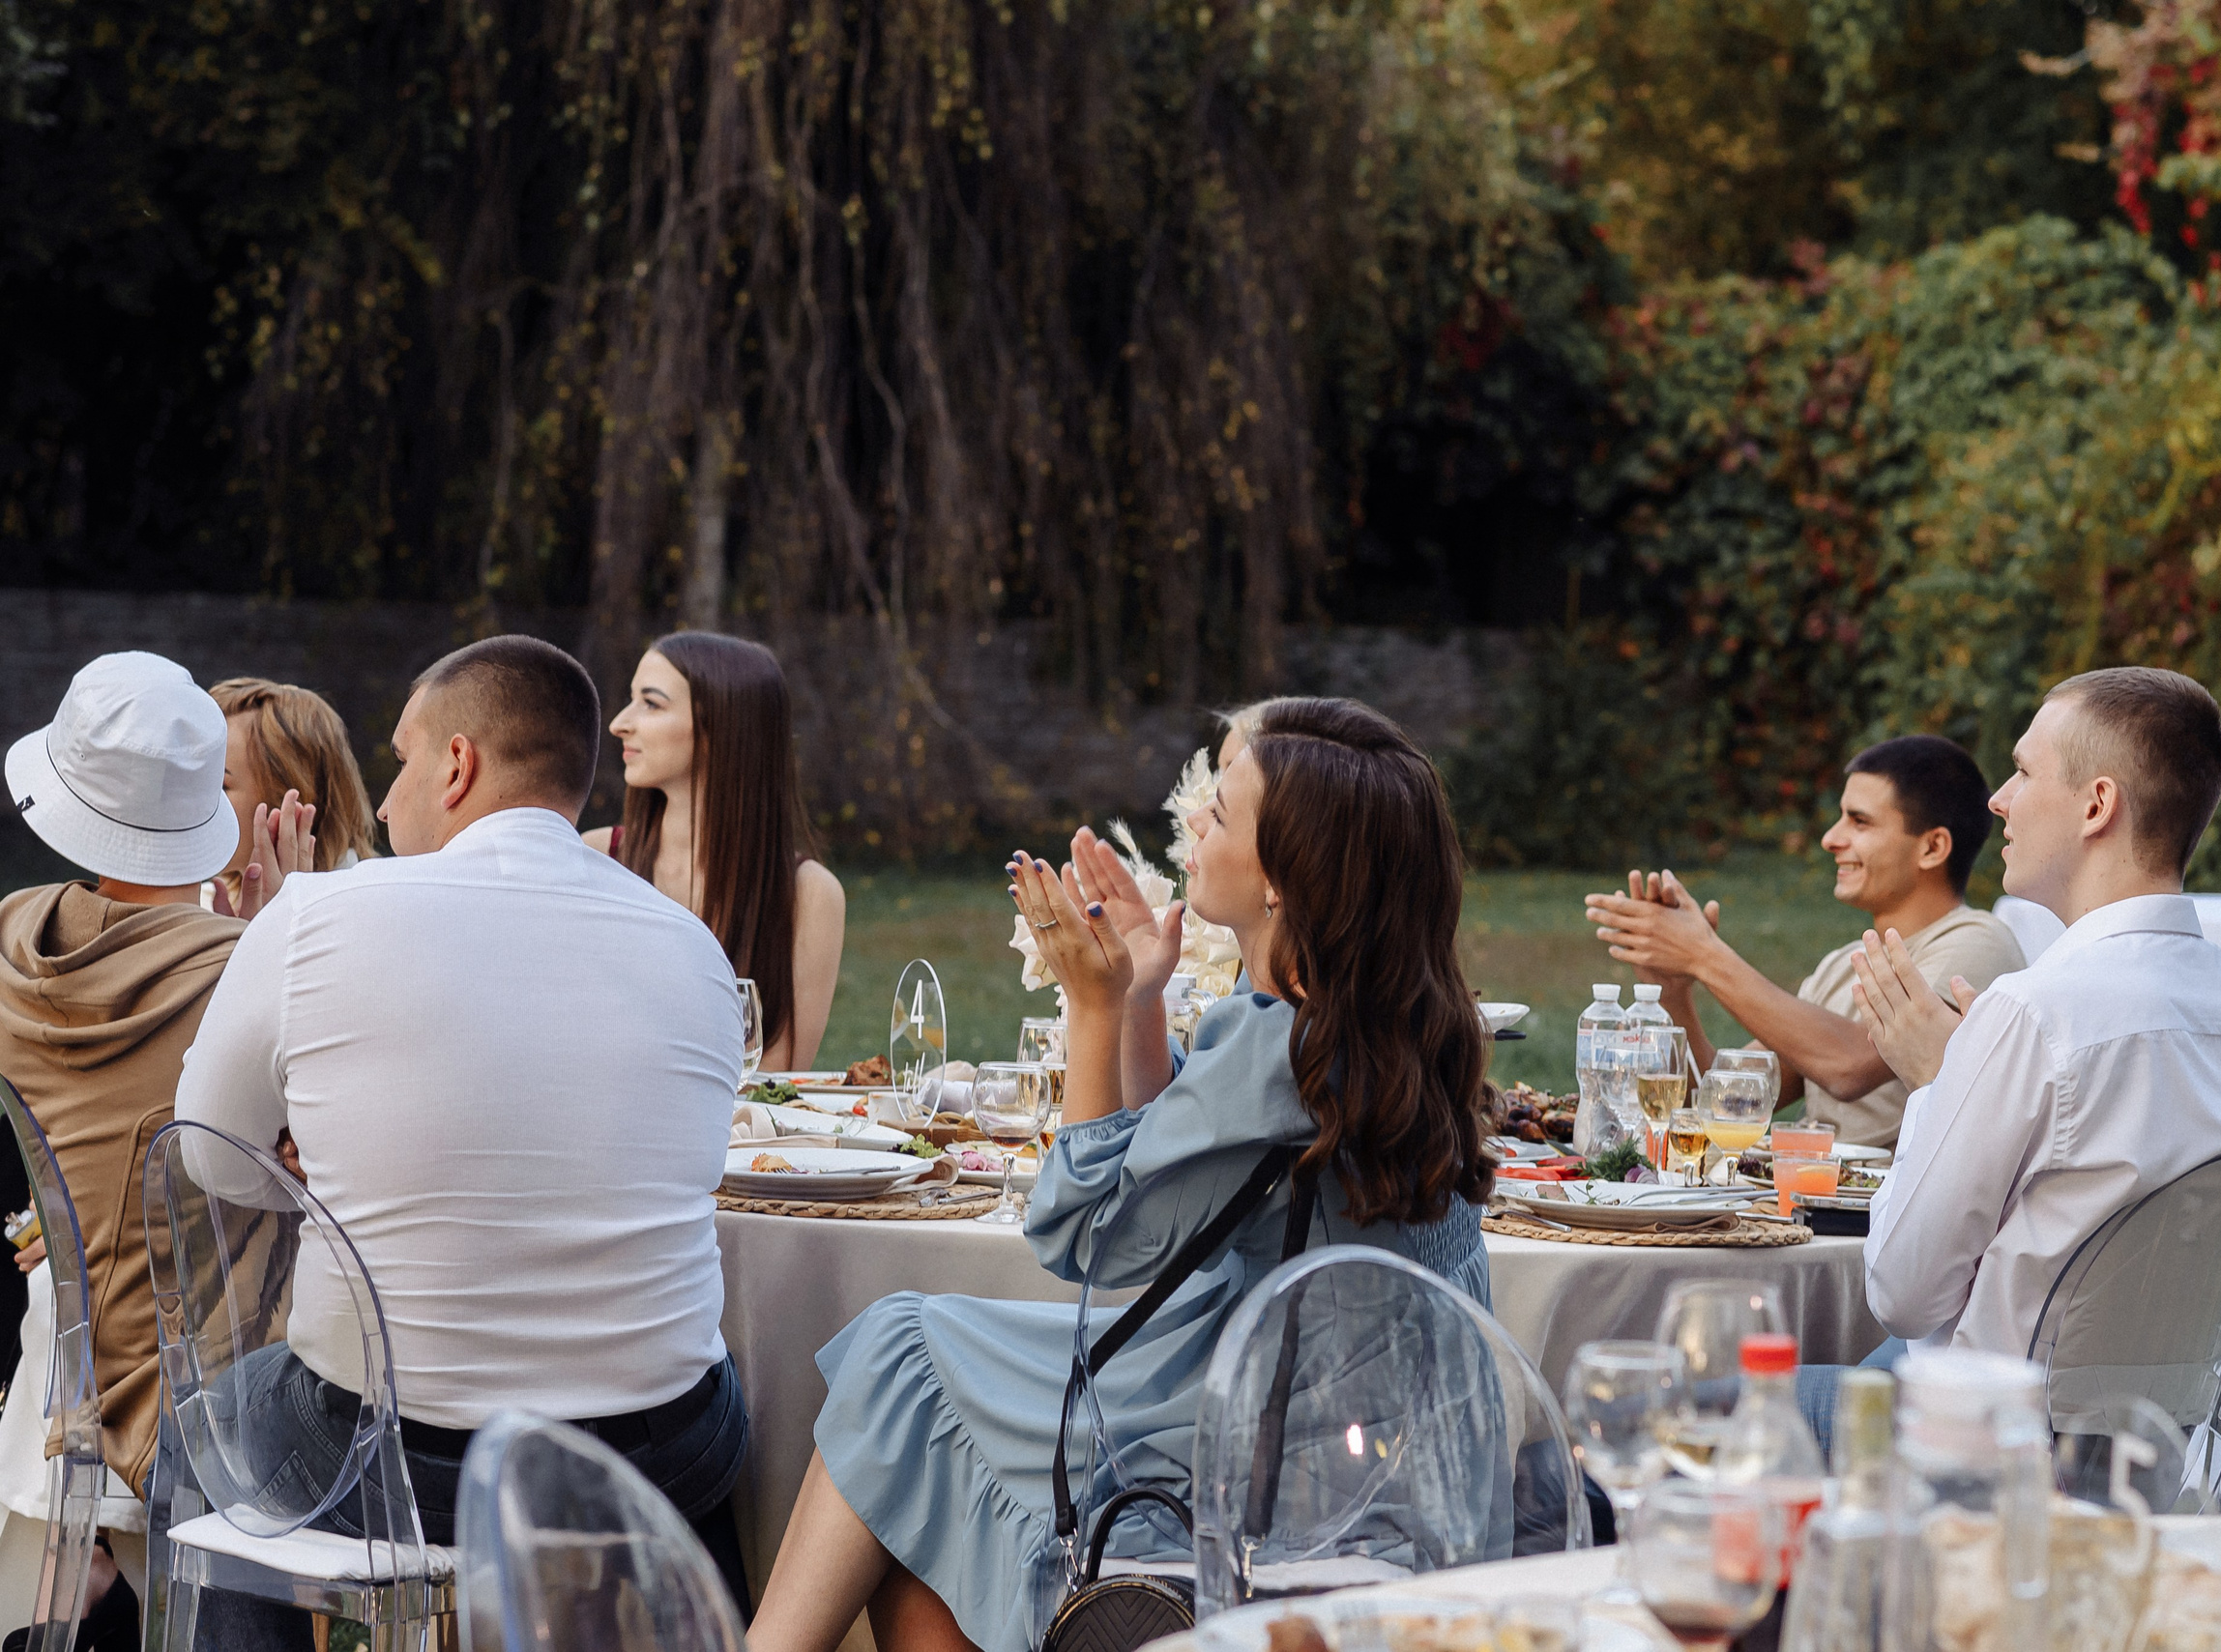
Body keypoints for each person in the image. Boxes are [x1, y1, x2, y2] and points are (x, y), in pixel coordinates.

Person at [745, 698, 1496, 1652]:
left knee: (902, 1358)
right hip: (1366, 1451)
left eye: (1220, 811)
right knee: (916, 1461)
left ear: (1283, 879)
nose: (1194, 824)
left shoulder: (1284, 1049)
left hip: (1274, 1477)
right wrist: (1142, 997)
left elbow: (1087, 1237)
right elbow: (1202, 1173)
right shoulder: (1368, 1023)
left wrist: (1092, 1011)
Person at [174, 635, 752, 1599]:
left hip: (400, 1457)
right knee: (726, 1391)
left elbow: (216, 1157)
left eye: (401, 759)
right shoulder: (695, 948)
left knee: (205, 1430)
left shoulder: (315, 914)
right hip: (657, 1460)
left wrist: (326, 1153)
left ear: (456, 764)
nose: (385, 801)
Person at [1851, 667, 2221, 1364]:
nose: (1998, 798)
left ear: (2097, 805)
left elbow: (1902, 1296)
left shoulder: (2033, 1016)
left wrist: (1939, 1087)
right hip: (2170, 1427)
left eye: (2022, 772)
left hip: (1986, 1420)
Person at [0, 652, 313, 1646]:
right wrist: (287, 935)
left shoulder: (11, 938)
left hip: (64, 1347)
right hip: (208, 1378)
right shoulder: (248, 966)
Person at [1584, 735, 2026, 1147]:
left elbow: (1850, 1067)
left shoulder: (1978, 942)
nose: (1830, 839)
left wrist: (1705, 955)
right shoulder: (1841, 966)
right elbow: (1717, 1102)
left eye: (1859, 821)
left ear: (1932, 848)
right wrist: (1672, 990)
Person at [585, 632, 845, 1071]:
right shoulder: (595, 860)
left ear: (720, 728)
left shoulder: (810, 894)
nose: (619, 723)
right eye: (632, 700)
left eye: (651, 704)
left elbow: (777, 1079)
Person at [203, 677, 379, 914]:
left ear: (290, 802)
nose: (194, 799)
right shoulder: (200, 903)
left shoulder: (360, 910)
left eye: (220, 785)